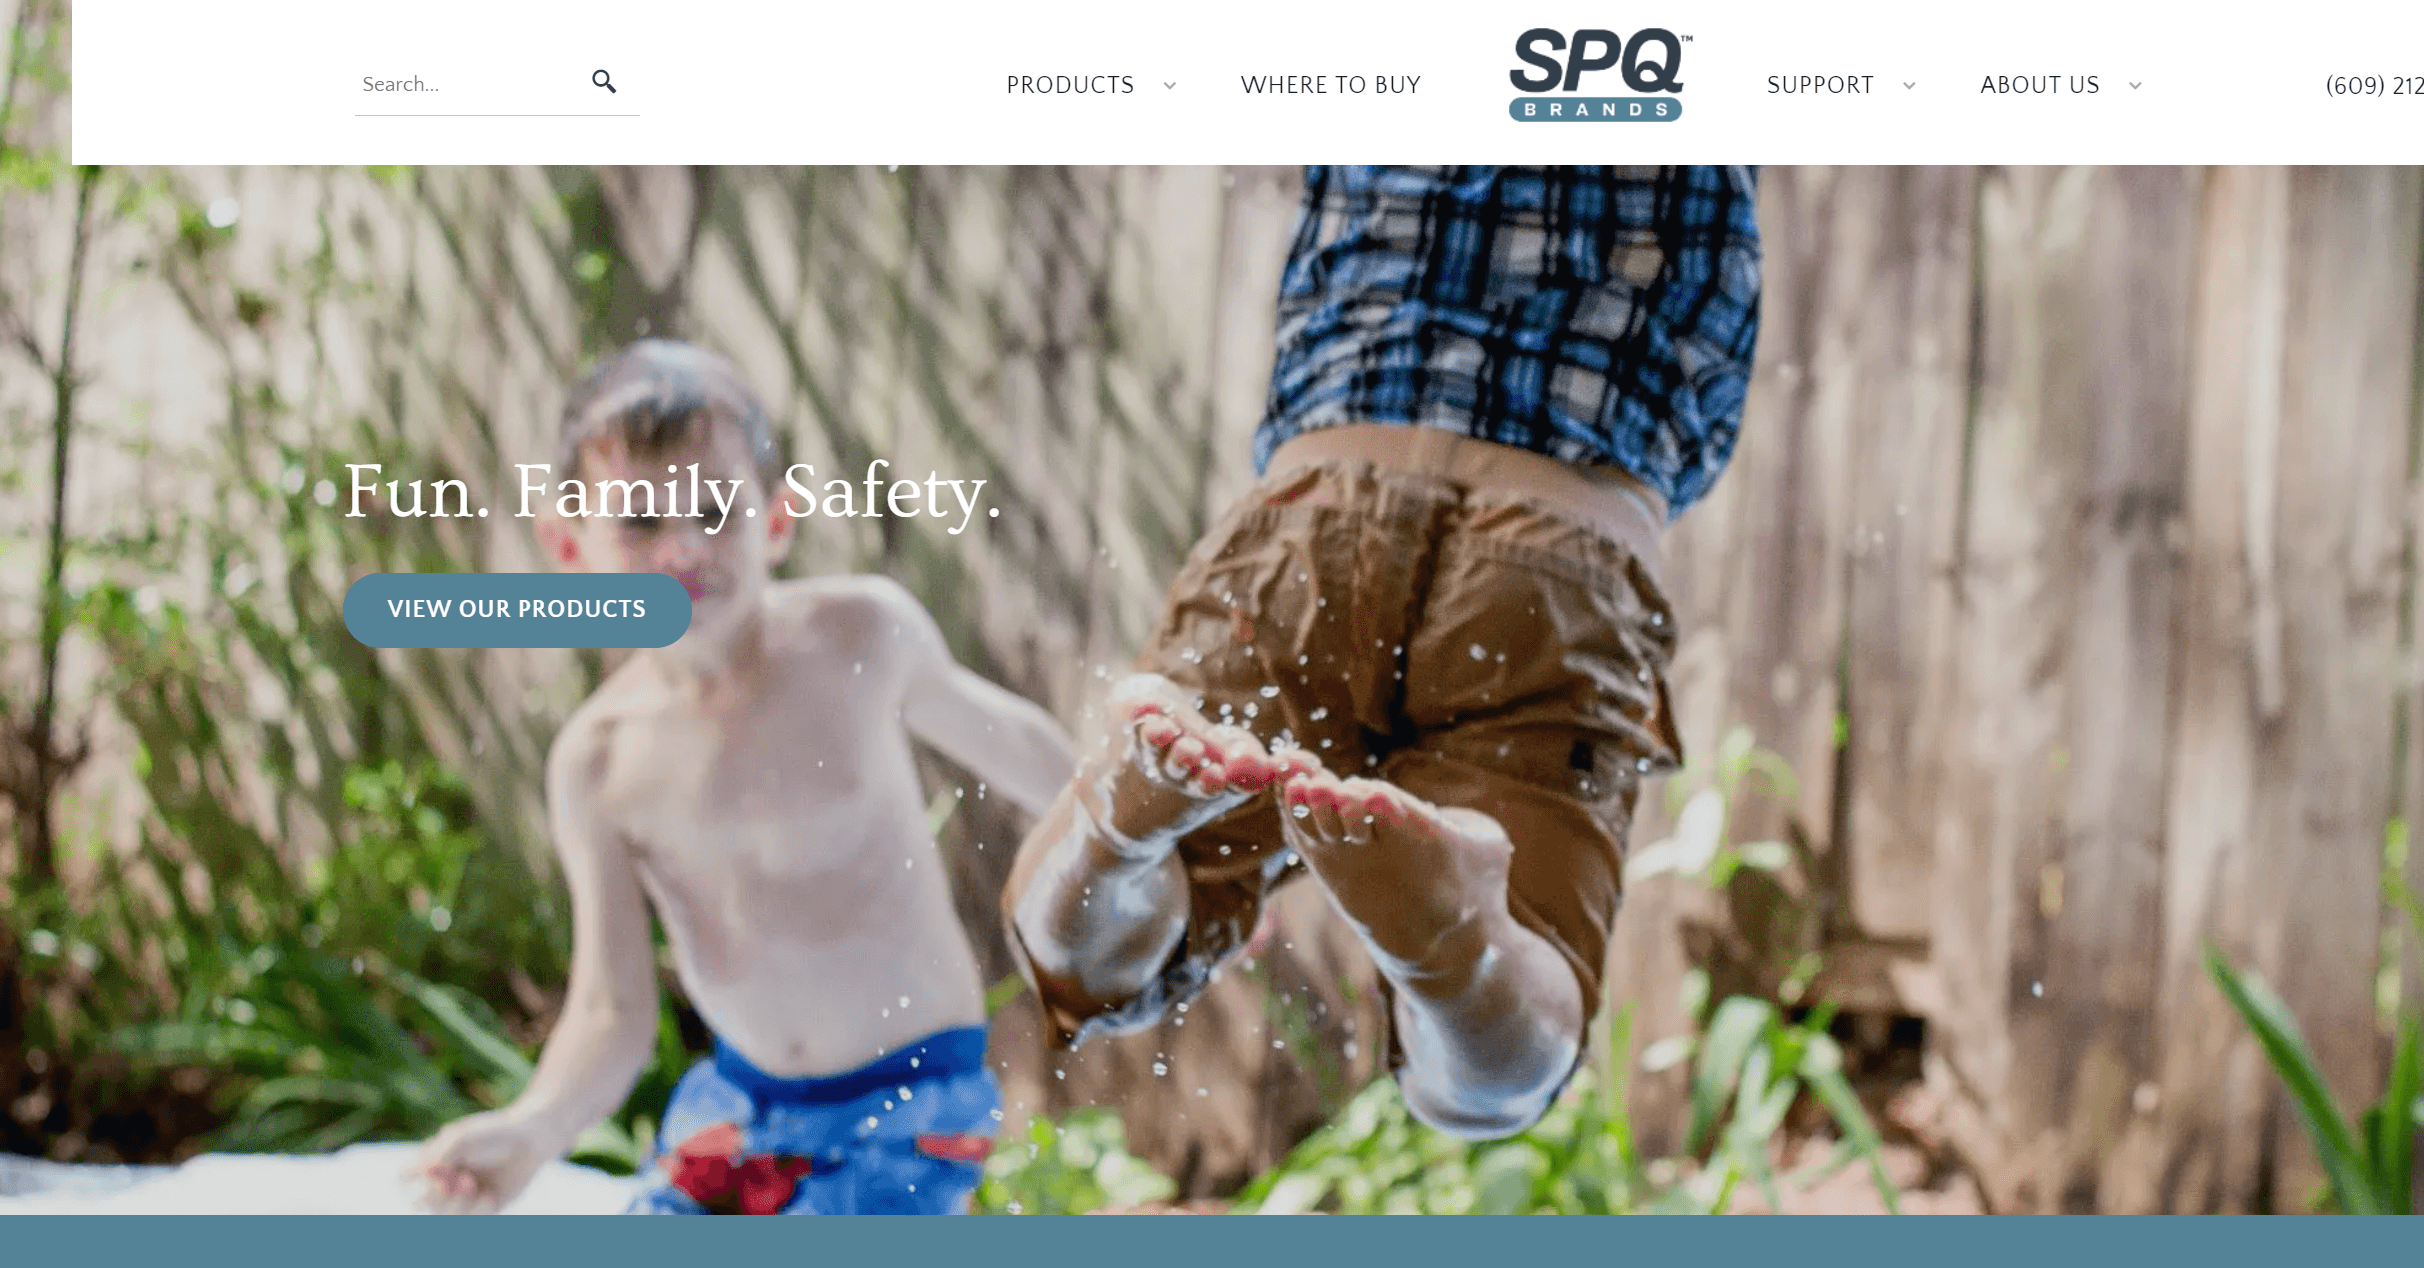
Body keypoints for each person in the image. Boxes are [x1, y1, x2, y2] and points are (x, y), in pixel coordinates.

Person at [1004, 165, 1760, 1138]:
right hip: (1559, 548)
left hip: (1314, 516)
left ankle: (1113, 827)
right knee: (1500, 1072)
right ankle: (1456, 949)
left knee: (1086, 971)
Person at [412, 340, 1076, 1213]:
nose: (685, 547)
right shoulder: (598, 762)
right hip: (739, 1105)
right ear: (569, 541)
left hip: (913, 1095)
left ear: (776, 519)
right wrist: (534, 1131)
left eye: (716, 510)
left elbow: (1017, 747)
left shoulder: (858, 640)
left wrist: (1162, 855)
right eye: (642, 521)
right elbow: (612, 1009)